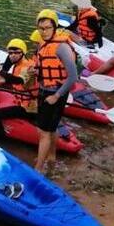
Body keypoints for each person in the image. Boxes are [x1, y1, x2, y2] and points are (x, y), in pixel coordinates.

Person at [31, 10, 78, 173]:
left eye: (47, 28)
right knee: (52, 128)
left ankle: (38, 168)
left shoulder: (62, 47)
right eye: (41, 28)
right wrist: (36, 71)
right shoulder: (43, 44)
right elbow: (45, 67)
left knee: (43, 132)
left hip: (56, 93)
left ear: (55, 28)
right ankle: (51, 157)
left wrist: (56, 96)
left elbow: (73, 77)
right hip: (45, 90)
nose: (43, 31)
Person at [0, 38, 37, 138]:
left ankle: (0, 139)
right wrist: (2, 81)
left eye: (16, 52)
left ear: (23, 53)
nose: (13, 55)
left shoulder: (29, 66)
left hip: (30, 108)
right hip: (25, 102)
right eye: (10, 53)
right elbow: (17, 82)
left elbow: (19, 80)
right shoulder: (19, 64)